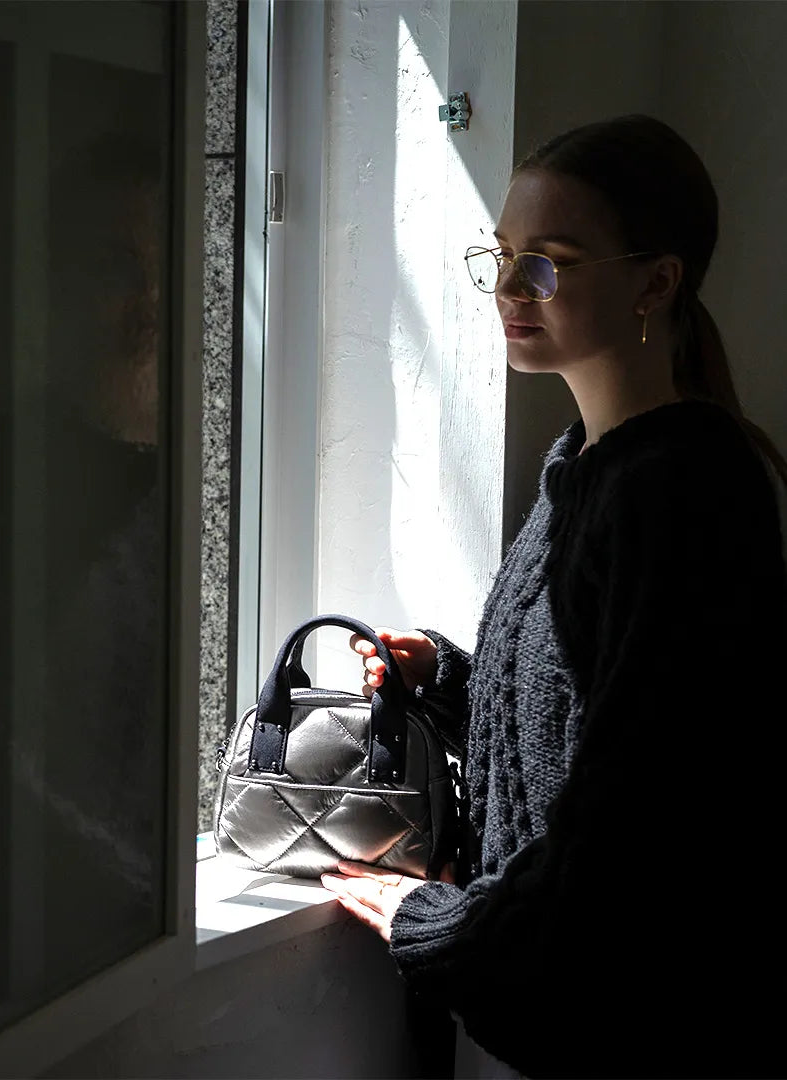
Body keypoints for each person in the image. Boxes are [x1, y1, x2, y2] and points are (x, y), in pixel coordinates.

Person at [319, 114, 787, 1079]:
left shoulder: (685, 492)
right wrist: (452, 680)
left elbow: (637, 830)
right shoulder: (586, 469)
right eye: (499, 255)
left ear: (656, 280)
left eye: (547, 262)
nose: (505, 290)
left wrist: (435, 923)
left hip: (639, 1030)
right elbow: (598, 716)